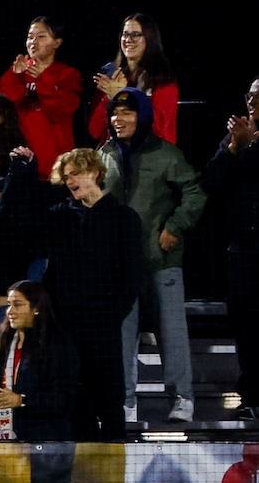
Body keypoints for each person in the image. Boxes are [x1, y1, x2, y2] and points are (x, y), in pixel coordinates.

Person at [101, 89, 203, 423]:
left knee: (171, 330)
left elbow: (194, 192)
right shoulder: (104, 154)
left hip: (161, 259)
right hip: (120, 263)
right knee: (121, 335)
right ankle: (125, 401)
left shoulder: (165, 154)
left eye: (128, 114)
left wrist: (175, 226)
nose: (119, 120)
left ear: (142, 116)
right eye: (115, 114)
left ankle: (182, 398)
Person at [41, 147, 147, 440]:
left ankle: (114, 470)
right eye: (66, 176)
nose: (70, 180)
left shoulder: (123, 218)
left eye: (76, 173)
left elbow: (132, 276)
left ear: (96, 173)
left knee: (110, 398)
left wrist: (111, 314)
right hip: (67, 324)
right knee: (75, 399)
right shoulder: (59, 218)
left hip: (104, 325)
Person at [0, 280, 76, 442]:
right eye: (9, 304)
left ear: (36, 308)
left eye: (18, 305)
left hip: (43, 446)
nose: (10, 311)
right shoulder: (3, 345)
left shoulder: (57, 346)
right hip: (2, 443)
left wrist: (21, 400)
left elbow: (64, 400)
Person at [208, 77, 259, 423]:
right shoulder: (236, 137)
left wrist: (249, 148)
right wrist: (233, 148)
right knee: (246, 325)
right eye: (250, 95)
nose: (252, 101)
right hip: (243, 250)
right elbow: (210, 181)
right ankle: (252, 396)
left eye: (258, 97)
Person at [0, 15, 82, 162]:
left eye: (41, 37)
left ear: (57, 43)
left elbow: (60, 110)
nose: (33, 42)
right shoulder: (17, 72)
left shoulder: (68, 75)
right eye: (30, 37)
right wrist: (15, 77)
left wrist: (43, 79)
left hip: (53, 163)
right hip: (17, 158)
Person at [85, 11, 180, 143]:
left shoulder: (162, 79)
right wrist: (109, 98)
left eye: (136, 34)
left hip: (153, 157)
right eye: (125, 34)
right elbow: (95, 131)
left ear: (150, 38)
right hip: (115, 156)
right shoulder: (111, 77)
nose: (128, 40)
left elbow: (158, 129)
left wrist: (123, 96)